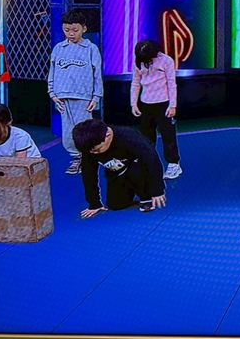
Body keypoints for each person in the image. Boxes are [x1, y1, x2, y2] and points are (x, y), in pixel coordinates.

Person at [72, 119, 166, 218]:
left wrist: (157, 191)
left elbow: (152, 160)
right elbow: (88, 175)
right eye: (92, 152)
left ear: (107, 136)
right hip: (117, 172)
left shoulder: (129, 136)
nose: (95, 153)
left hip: (138, 169)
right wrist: (94, 204)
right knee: (115, 205)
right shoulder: (89, 147)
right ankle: (129, 190)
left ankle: (145, 196)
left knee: (136, 169)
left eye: (98, 150)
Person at [47, 9, 103, 175]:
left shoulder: (91, 48)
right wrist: (52, 93)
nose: (71, 33)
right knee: (67, 133)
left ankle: (87, 158)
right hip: (62, 97)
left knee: (83, 130)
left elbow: (97, 74)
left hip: (83, 97)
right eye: (67, 30)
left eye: (75, 30)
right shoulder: (59, 48)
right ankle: (77, 158)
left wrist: (96, 96)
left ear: (84, 29)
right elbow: (52, 72)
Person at [130, 40, 182, 180]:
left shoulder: (166, 60)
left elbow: (172, 83)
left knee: (168, 135)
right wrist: (134, 104)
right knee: (147, 136)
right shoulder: (138, 61)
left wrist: (172, 105)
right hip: (145, 103)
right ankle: (147, 162)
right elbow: (135, 82)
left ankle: (174, 164)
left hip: (163, 103)